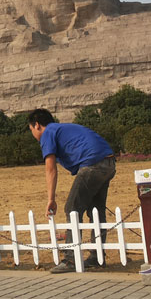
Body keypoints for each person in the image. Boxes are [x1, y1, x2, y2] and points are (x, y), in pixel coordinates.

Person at [28, 108, 116, 273]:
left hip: (93, 164)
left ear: (37, 125)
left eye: (31, 129)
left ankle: (71, 259)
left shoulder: (48, 133)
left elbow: (51, 169)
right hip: (109, 163)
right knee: (96, 212)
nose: (33, 134)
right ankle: (98, 257)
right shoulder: (61, 129)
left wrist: (51, 199)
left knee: (72, 209)